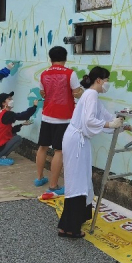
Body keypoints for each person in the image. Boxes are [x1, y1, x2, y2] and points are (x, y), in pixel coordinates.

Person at [58, 66, 132, 238]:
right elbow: (91, 121)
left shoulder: (92, 96)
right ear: (98, 80)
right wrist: (110, 125)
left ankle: (69, 223)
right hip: (76, 141)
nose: (108, 83)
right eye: (107, 80)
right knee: (77, 182)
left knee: (81, 180)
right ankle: (70, 227)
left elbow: (107, 117)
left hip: (78, 140)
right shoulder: (91, 95)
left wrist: (130, 127)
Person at [35, 46, 83, 194]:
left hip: (46, 115)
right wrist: (83, 88)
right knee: (59, 151)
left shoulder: (43, 74)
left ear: (50, 58)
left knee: (42, 147)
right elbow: (76, 94)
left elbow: (43, 93)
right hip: (63, 118)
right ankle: (53, 185)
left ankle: (39, 178)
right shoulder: (70, 73)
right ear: (65, 58)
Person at [0, 92, 38, 166]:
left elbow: (9, 130)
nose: (12, 100)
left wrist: (22, 124)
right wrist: (34, 106)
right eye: (9, 99)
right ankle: (0, 157)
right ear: (3, 103)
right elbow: (23, 115)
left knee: (13, 135)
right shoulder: (7, 114)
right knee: (18, 138)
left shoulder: (0, 113)